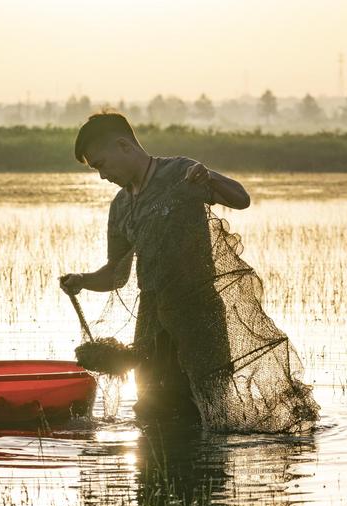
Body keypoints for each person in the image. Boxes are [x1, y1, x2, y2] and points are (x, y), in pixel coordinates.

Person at [60, 112, 318, 432]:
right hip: (153, 322)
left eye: (101, 165)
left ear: (124, 146)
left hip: (200, 316)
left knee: (207, 410)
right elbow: (116, 275)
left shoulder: (180, 172)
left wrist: (209, 177)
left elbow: (241, 199)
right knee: (153, 409)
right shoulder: (121, 206)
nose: (101, 175)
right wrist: (82, 281)